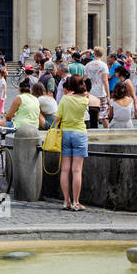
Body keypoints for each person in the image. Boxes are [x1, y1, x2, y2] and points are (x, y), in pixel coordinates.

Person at [56, 74, 89, 211]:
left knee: (65, 169)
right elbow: (86, 93)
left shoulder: (65, 99)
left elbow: (58, 118)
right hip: (80, 133)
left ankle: (66, 201)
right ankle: (76, 202)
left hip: (66, 133)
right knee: (77, 170)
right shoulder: (85, 100)